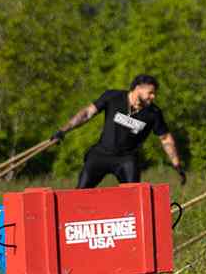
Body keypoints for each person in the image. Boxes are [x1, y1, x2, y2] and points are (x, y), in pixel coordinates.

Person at [52, 75, 185, 189]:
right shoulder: (113, 97)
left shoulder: (154, 113)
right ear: (138, 88)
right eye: (150, 92)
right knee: (80, 193)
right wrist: (63, 130)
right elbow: (86, 114)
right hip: (101, 154)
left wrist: (177, 164)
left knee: (135, 197)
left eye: (154, 93)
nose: (153, 96)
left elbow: (165, 138)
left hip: (126, 159)